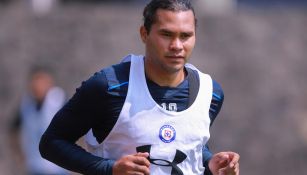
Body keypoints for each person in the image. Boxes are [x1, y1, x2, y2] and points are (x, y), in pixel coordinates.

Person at [39, 0, 240, 174]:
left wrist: (210, 165)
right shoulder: (109, 86)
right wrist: (110, 169)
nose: (177, 46)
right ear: (144, 34)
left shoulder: (211, 92)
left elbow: (187, 144)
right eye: (167, 34)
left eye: (185, 36)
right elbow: (51, 143)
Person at [11, 67, 68, 175]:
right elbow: (13, 129)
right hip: (34, 167)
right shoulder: (26, 104)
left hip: (58, 168)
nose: (38, 86)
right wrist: (19, 154)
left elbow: (79, 128)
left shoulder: (59, 100)